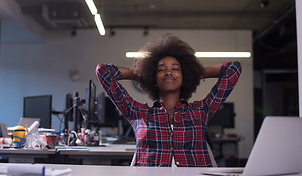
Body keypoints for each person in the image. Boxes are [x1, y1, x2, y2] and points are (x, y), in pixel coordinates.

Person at [96, 35, 242, 167]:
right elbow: (103, 72)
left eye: (175, 69)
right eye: (161, 69)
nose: (168, 72)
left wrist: (195, 72)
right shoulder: (138, 113)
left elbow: (233, 69)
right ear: (154, 79)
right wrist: (142, 74)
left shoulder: (200, 111)